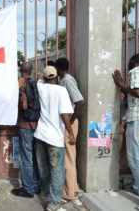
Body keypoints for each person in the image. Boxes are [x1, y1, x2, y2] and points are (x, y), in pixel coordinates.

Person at [34, 66, 75, 211]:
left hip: (40, 135)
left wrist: (41, 76)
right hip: (55, 138)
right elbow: (64, 114)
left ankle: (45, 195)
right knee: (57, 171)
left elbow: (38, 80)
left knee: (43, 168)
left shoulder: (41, 87)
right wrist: (71, 133)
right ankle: (54, 203)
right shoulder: (61, 90)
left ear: (45, 78)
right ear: (57, 77)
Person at [113, 53, 139, 197]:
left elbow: (138, 93)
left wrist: (121, 84)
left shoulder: (136, 71)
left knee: (136, 159)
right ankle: (138, 188)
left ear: (133, 61)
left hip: (137, 120)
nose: (128, 67)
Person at [55, 58, 84, 202]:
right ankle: (73, 189)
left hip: (70, 124)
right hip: (68, 123)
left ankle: (69, 193)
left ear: (59, 70)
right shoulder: (65, 80)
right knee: (69, 156)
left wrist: (71, 121)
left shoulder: (67, 80)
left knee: (68, 158)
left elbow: (80, 101)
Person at [11, 62, 40, 198]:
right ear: (31, 71)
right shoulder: (36, 84)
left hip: (25, 125)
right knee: (34, 157)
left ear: (21, 70)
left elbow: (24, 106)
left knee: (26, 158)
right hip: (37, 125)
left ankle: (28, 189)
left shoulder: (21, 84)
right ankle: (35, 185)